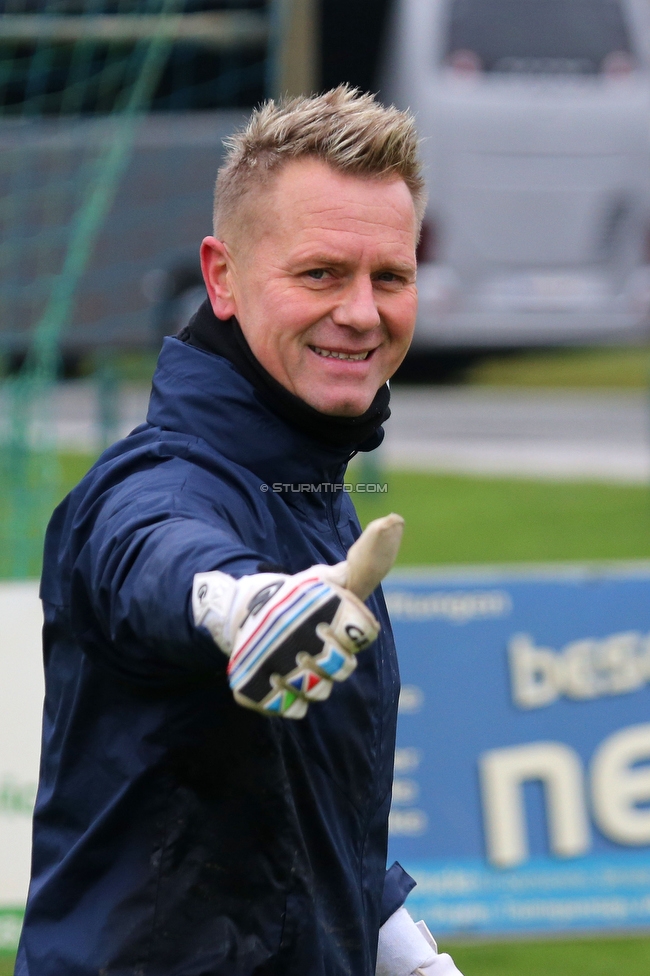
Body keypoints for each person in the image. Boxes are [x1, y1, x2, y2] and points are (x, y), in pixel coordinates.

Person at [16, 86, 463, 976]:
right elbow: (154, 551)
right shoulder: (155, 483)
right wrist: (240, 602)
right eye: (321, 274)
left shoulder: (308, 485)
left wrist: (411, 960)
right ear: (222, 276)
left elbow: (299, 825)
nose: (364, 313)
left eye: (391, 276)